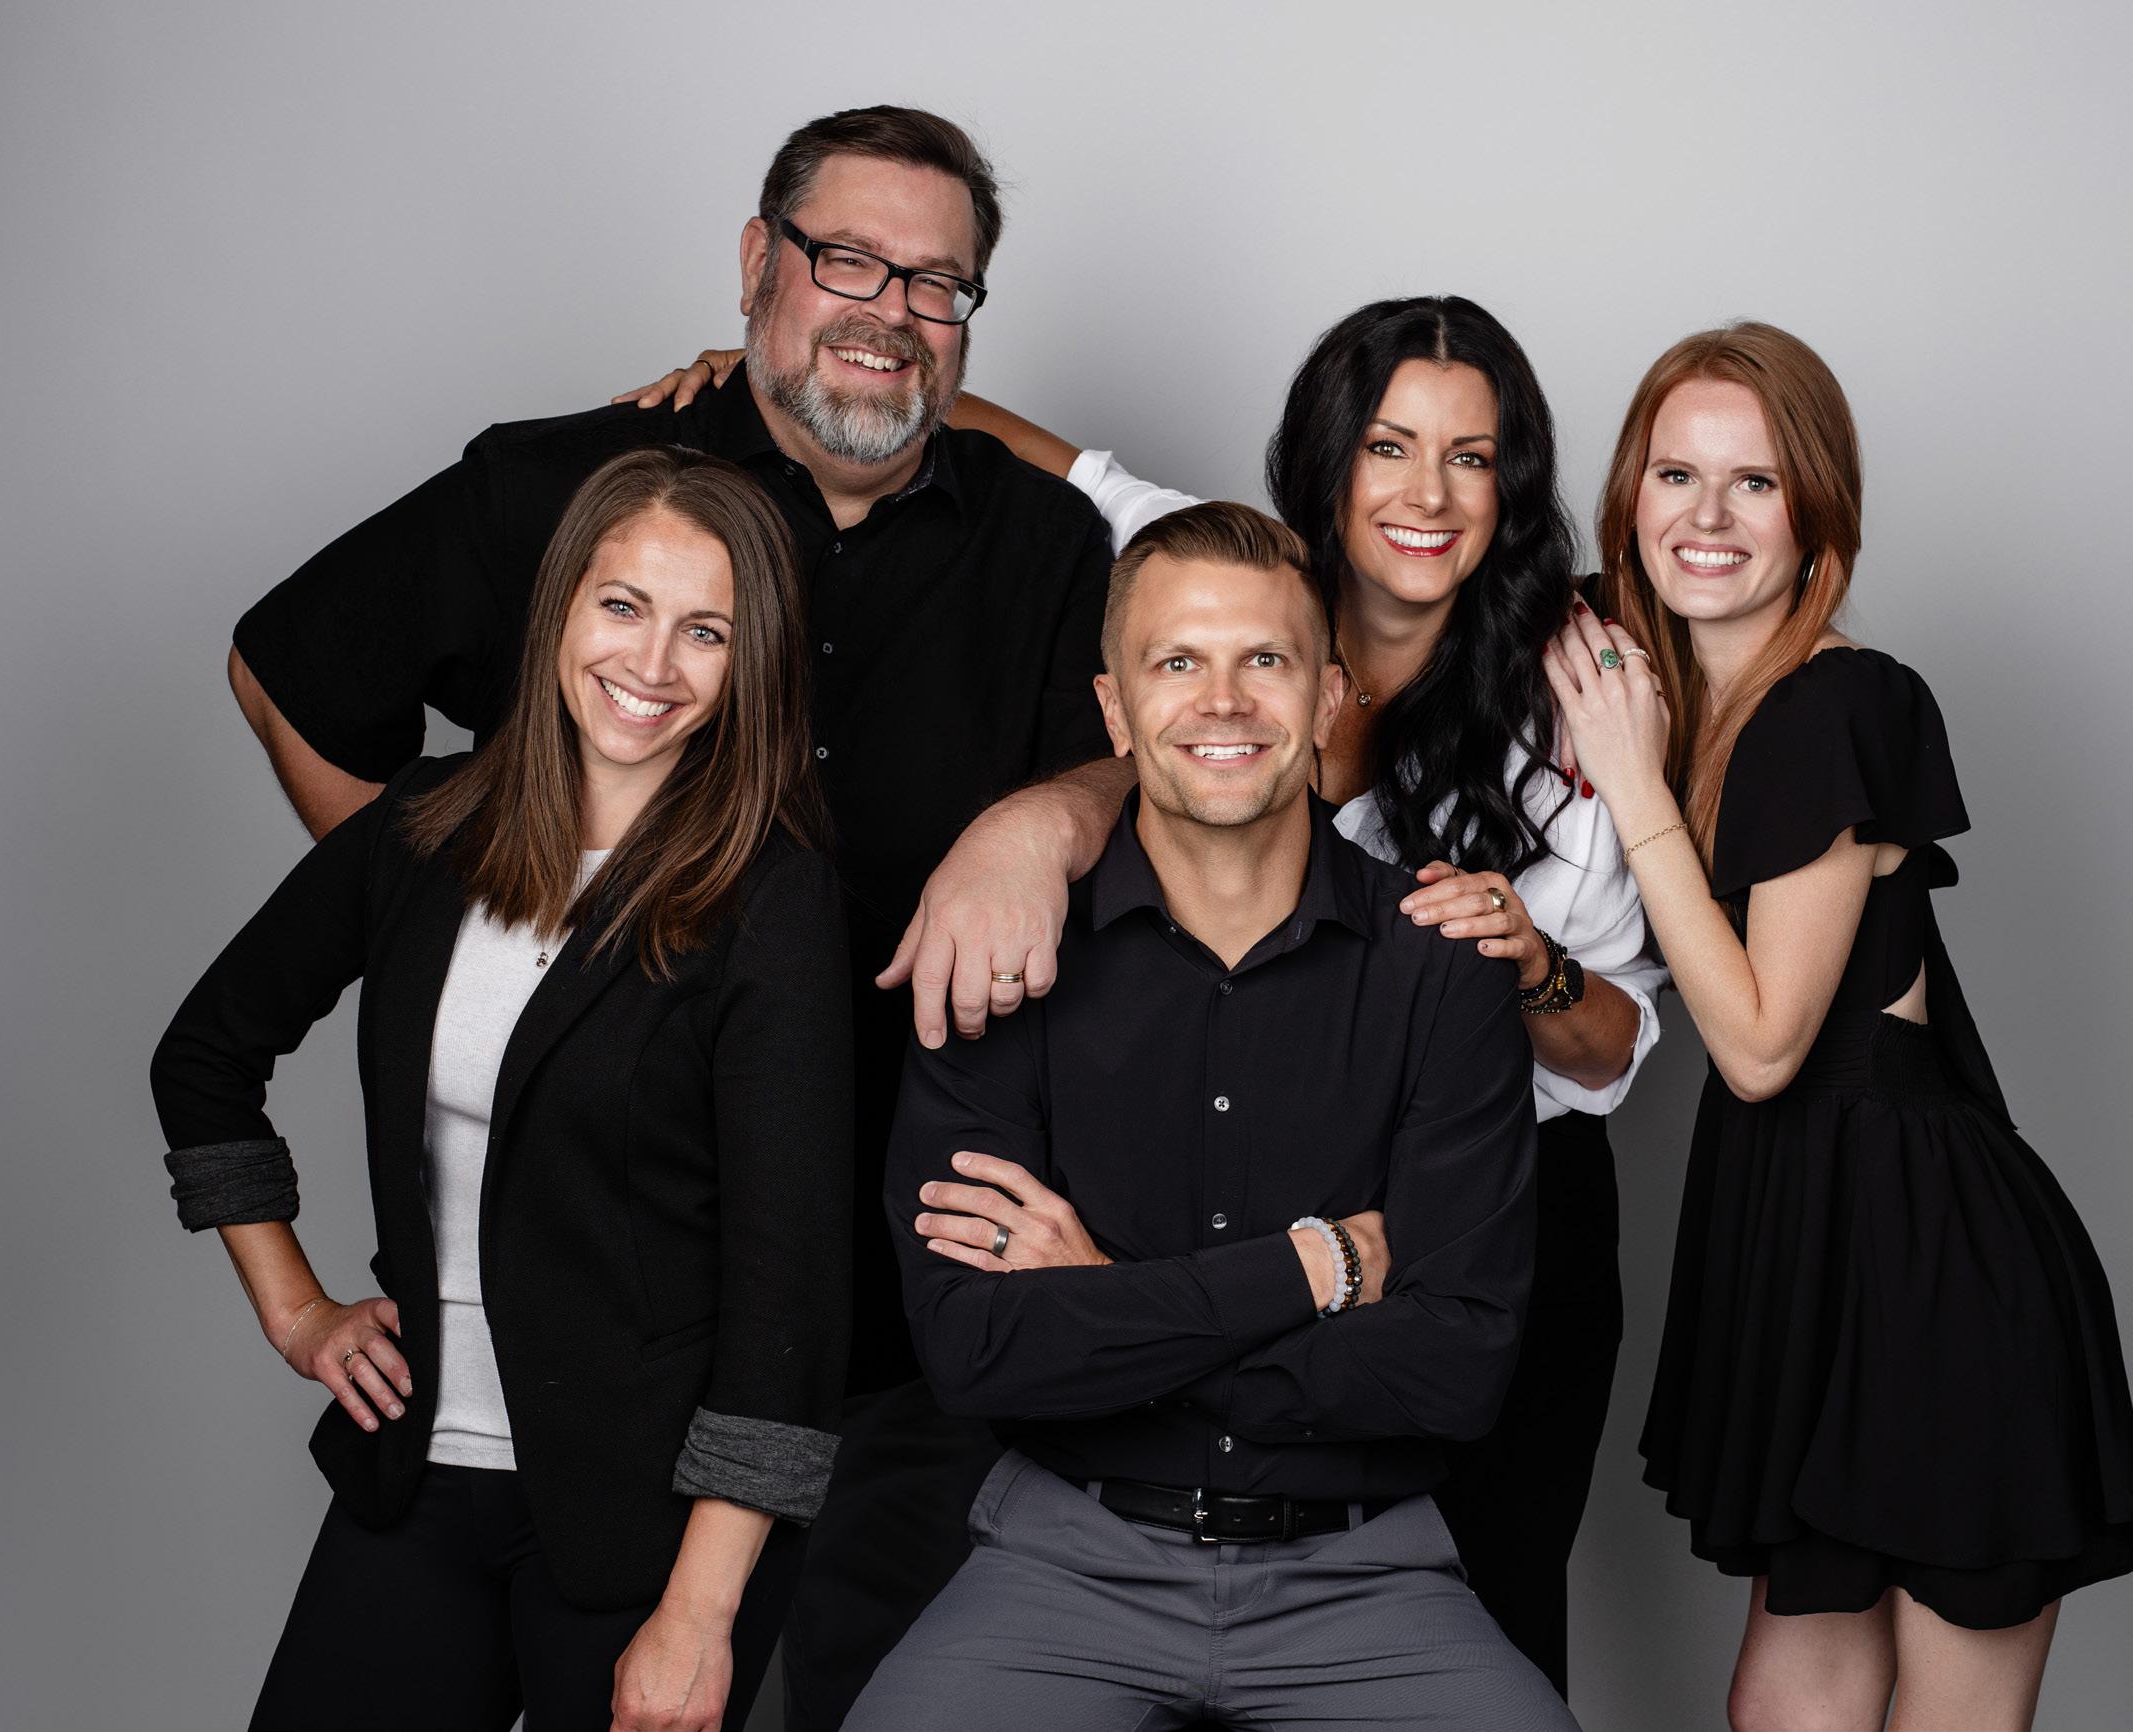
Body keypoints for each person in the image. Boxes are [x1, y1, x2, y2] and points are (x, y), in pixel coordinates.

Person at [230, 106, 1131, 1726]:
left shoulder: (1047, 545)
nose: (887, 309)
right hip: (576, 1324)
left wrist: (1049, 813)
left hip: (900, 1320)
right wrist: (456, 932)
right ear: (755, 262)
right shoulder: (565, 490)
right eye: (844, 258)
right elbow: (288, 668)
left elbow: (1193, 745)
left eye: (934, 283)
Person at [623, 293, 1664, 1692]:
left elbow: (1606, 1055)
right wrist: (765, 383)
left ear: (1510, 486)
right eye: (1387, 446)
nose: (1425, 493)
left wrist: (1527, 966)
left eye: (1469, 458)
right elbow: (994, 440)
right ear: (1326, 460)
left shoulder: (1567, 692)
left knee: (1480, 1605)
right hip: (1229, 1169)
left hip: (1477, 1193)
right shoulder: (1215, 571)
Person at [844, 500, 1579, 1730]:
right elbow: (976, 1349)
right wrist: (1316, 1267)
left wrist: (1104, 1302)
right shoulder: (1002, 953)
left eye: (1265, 660)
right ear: (1115, 710)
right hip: (1064, 1560)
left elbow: (1453, 1371)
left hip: (1364, 1573)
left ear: (1329, 699)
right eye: (1177, 662)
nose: (1223, 702)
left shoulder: (1443, 968)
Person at [151, 448, 850, 1730]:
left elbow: (787, 1299)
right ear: (560, 607)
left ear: (749, 664)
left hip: (654, 1528)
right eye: (623, 606)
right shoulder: (425, 828)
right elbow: (202, 1058)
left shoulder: (774, 900)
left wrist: (699, 1618)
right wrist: (297, 1311)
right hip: (414, 1476)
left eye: (706, 632)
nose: (652, 664)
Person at [1548, 323, 2133, 1732]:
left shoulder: (1839, 703)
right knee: (1786, 1704)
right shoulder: (1657, 681)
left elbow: (1761, 1047)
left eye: (1752, 483)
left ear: (1814, 513)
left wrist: (1633, 790)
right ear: (1628, 499)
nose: (1705, 517)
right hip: (1802, 1253)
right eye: (1674, 476)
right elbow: (1399, 578)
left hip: (1924, 1263)